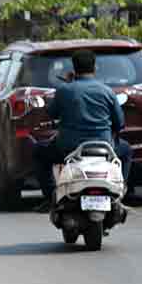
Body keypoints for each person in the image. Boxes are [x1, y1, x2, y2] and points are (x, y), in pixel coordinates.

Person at [33, 49, 133, 211]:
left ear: (73, 68)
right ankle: (121, 193)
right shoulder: (107, 91)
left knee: (39, 152)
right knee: (126, 151)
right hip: (105, 147)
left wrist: (68, 84)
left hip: (68, 148)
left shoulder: (64, 90)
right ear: (95, 68)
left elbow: (51, 113)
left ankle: (50, 198)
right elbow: (120, 123)